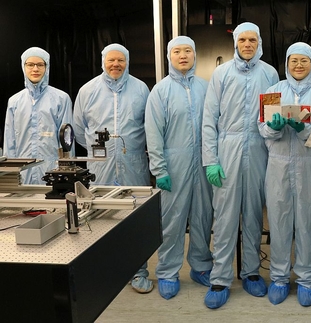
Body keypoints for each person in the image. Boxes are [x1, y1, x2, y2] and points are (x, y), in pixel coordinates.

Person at [202, 22, 279, 309]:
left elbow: (272, 118)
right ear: (235, 42)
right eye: (243, 39)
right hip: (228, 148)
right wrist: (211, 160)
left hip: (259, 148)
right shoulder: (221, 74)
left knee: (253, 214)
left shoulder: (270, 73)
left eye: (252, 39)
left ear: (259, 42)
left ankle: (250, 272)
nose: (248, 44)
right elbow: (209, 120)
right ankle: (220, 278)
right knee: (224, 216)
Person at [258, 42, 311, 307]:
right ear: (287, 63)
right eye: (294, 61)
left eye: (304, 61)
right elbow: (262, 128)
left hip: (309, 164)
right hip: (277, 164)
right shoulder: (273, 92)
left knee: (307, 223)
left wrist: (303, 130)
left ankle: (306, 279)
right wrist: (274, 127)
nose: (299, 65)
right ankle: (279, 278)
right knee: (278, 223)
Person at [73, 43, 153, 294]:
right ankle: (104, 272)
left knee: (135, 219)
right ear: (102, 62)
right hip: (101, 167)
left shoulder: (141, 89)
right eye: (111, 60)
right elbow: (78, 129)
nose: (115, 64)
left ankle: (138, 272)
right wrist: (100, 153)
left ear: (127, 62)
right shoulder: (88, 91)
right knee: (98, 218)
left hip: (134, 165)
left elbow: (148, 126)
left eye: (120, 60)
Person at [145, 36, 214, 300]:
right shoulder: (160, 91)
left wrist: (214, 160)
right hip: (174, 165)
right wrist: (160, 170)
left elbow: (214, 126)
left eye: (188, 51)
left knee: (203, 217)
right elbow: (153, 134)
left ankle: (200, 266)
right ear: (169, 57)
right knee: (172, 221)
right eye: (177, 51)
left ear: (195, 55)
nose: (183, 55)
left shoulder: (206, 88)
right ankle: (167, 271)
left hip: (204, 162)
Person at [4, 47, 72, 184]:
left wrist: (65, 172)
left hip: (52, 169)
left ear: (47, 67)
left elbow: (67, 141)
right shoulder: (14, 102)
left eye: (40, 64)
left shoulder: (61, 99)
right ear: (23, 66)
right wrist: (9, 174)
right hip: (23, 170)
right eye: (30, 64)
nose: (35, 69)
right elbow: (9, 141)